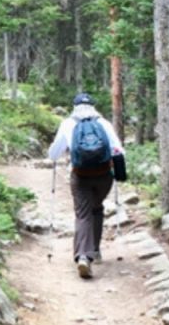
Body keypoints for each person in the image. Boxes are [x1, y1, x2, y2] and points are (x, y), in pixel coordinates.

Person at [47, 93, 124, 279]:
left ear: (74, 106)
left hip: (80, 176)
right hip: (104, 176)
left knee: (83, 213)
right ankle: (95, 251)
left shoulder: (68, 124)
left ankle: (83, 256)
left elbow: (54, 154)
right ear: (93, 106)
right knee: (96, 209)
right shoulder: (103, 123)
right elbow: (119, 150)